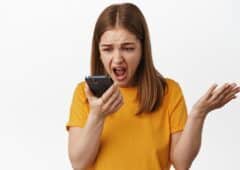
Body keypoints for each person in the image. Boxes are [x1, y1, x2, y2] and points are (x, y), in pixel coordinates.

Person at [66, 3, 240, 170]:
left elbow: (182, 164)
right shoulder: (85, 93)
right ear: (98, 51)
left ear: (143, 49)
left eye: (128, 48)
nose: (118, 58)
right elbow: (79, 164)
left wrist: (198, 114)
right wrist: (97, 115)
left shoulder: (169, 92)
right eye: (108, 49)